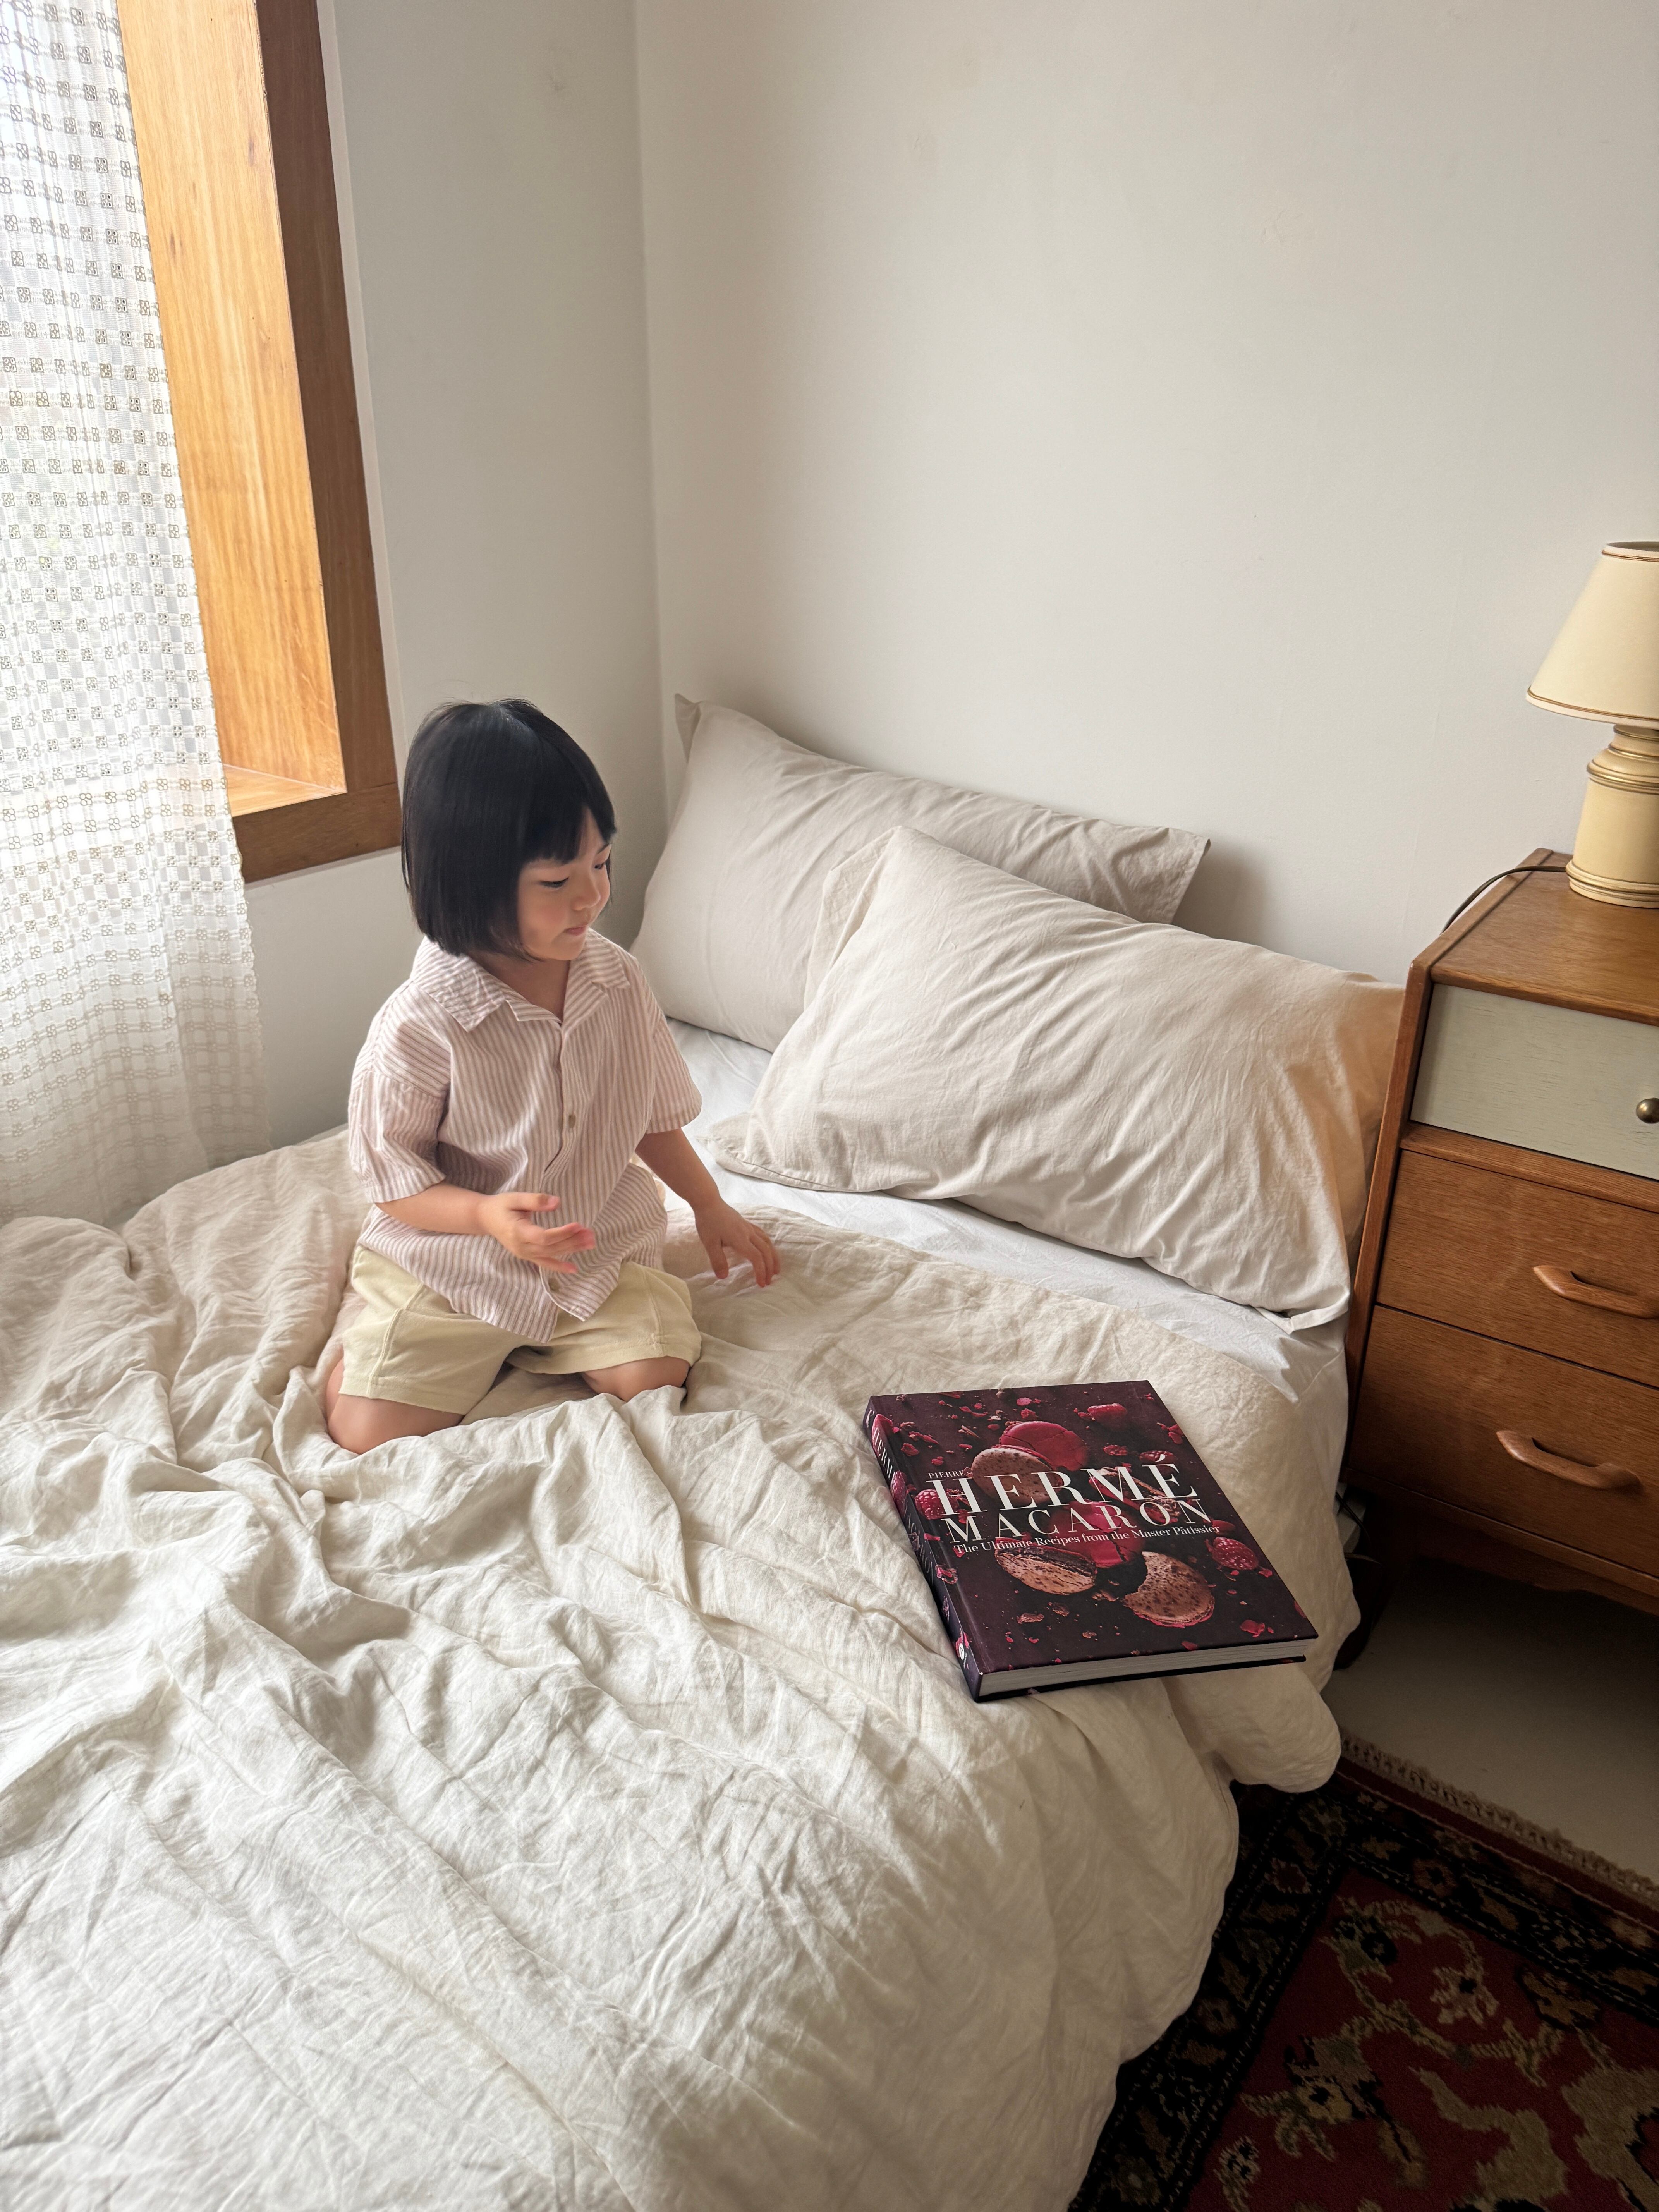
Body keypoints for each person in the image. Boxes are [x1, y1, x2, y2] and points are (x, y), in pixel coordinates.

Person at [324, 698, 778, 1455]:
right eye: (558, 880)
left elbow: (649, 1117)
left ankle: (540, 1344)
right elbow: (394, 1181)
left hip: (591, 1249)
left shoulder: (618, 981)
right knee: (365, 1431)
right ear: (471, 882)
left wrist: (709, 1206)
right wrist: (487, 1219)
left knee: (657, 1373)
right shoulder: (422, 1022)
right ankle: (381, 1343)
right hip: (458, 1261)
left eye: (601, 864)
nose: (592, 896)